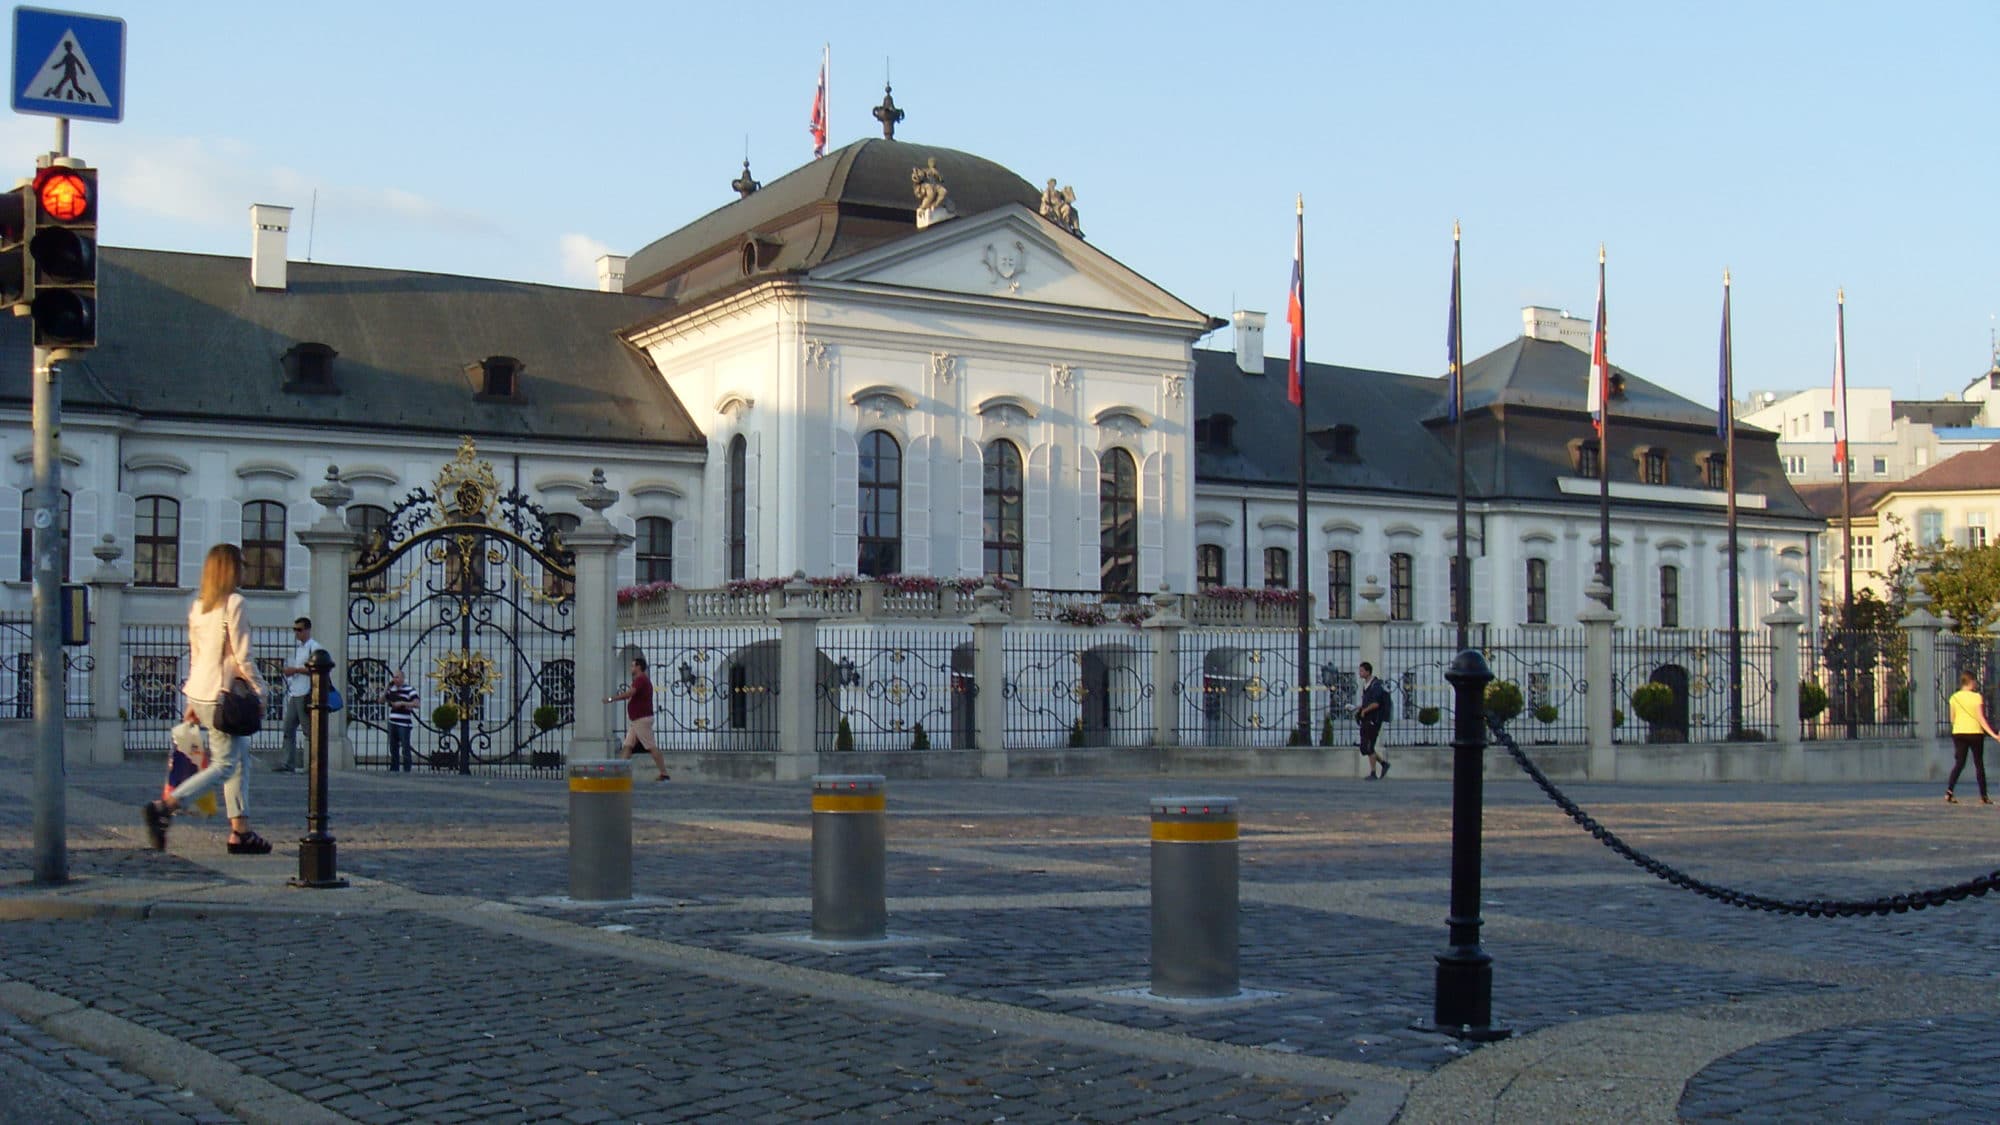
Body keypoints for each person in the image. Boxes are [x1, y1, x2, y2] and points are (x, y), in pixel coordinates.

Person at [142, 543, 272, 854]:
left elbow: (196, 655)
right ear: (231, 569)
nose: (245, 570)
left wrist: (191, 702)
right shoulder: (235, 603)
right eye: (241, 564)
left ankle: (240, 831)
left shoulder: (199, 606)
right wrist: (261, 691)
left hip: (200, 691)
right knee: (225, 765)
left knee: (240, 760)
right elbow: (243, 656)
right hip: (222, 696)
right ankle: (165, 807)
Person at [276, 616, 327, 772]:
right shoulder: (299, 648)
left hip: (306, 693)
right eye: (295, 630)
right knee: (288, 728)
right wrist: (292, 672)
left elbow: (316, 669)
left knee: (309, 731)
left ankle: (314, 764)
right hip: (295, 692)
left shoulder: (315, 647)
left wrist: (296, 670)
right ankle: (288, 763)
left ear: (307, 630)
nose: (296, 633)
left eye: (299, 630)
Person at [606, 655, 669, 781]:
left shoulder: (641, 680)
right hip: (636, 720)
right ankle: (618, 773)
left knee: (651, 747)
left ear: (638, 667)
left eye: (632, 665)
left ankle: (664, 773)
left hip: (641, 719)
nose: (631, 668)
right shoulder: (642, 680)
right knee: (628, 745)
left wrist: (611, 699)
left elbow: (630, 694)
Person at [1945, 671, 1998, 805]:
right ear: (1971, 681)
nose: (1976, 684)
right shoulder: (1977, 697)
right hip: (1975, 733)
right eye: (1975, 681)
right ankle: (1983, 796)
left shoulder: (1954, 698)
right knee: (1979, 764)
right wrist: (1994, 735)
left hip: (1959, 733)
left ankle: (1949, 791)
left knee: (1959, 763)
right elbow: (1981, 719)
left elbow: (1952, 719)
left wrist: (1959, 725)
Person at [1356, 661, 1392, 780]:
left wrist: (1365, 711)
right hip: (1366, 719)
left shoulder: (1375, 685)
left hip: (1373, 720)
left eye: (1361, 670)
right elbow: (1367, 702)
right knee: (1365, 747)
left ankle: (1373, 772)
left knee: (1369, 746)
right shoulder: (1366, 685)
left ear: (1368, 671)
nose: (1360, 673)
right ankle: (1383, 764)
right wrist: (1359, 708)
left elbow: (1376, 703)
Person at [383, 669, 420, 772]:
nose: (395, 679)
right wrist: (386, 689)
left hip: (404, 723)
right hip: (392, 722)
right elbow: (381, 700)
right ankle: (394, 768)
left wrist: (403, 703)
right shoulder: (392, 689)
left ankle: (407, 769)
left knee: (405, 747)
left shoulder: (409, 689)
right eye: (394, 677)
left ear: (403, 678)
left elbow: (417, 703)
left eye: (397, 677)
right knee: (393, 747)